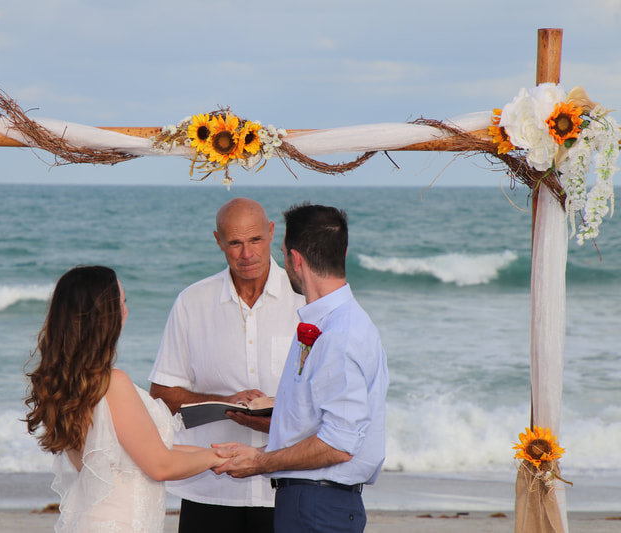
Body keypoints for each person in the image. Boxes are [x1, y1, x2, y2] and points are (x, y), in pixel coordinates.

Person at [213, 203, 390, 533]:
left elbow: (338, 445)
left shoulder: (341, 333)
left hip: (318, 507)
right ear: (344, 251)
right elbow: (319, 428)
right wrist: (256, 452)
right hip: (311, 503)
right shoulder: (331, 323)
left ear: (295, 259)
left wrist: (261, 462)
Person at [24, 265, 226, 533]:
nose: (126, 311)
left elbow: (140, 454)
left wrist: (221, 453)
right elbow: (160, 465)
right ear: (103, 317)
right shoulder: (112, 383)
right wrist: (216, 459)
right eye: (120, 303)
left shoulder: (72, 383)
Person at [148, 198, 305, 533]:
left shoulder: (305, 301)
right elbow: (161, 393)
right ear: (218, 240)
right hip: (209, 488)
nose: (246, 254)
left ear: (273, 234)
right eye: (234, 243)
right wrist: (225, 402)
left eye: (255, 240)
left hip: (286, 488)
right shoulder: (192, 302)